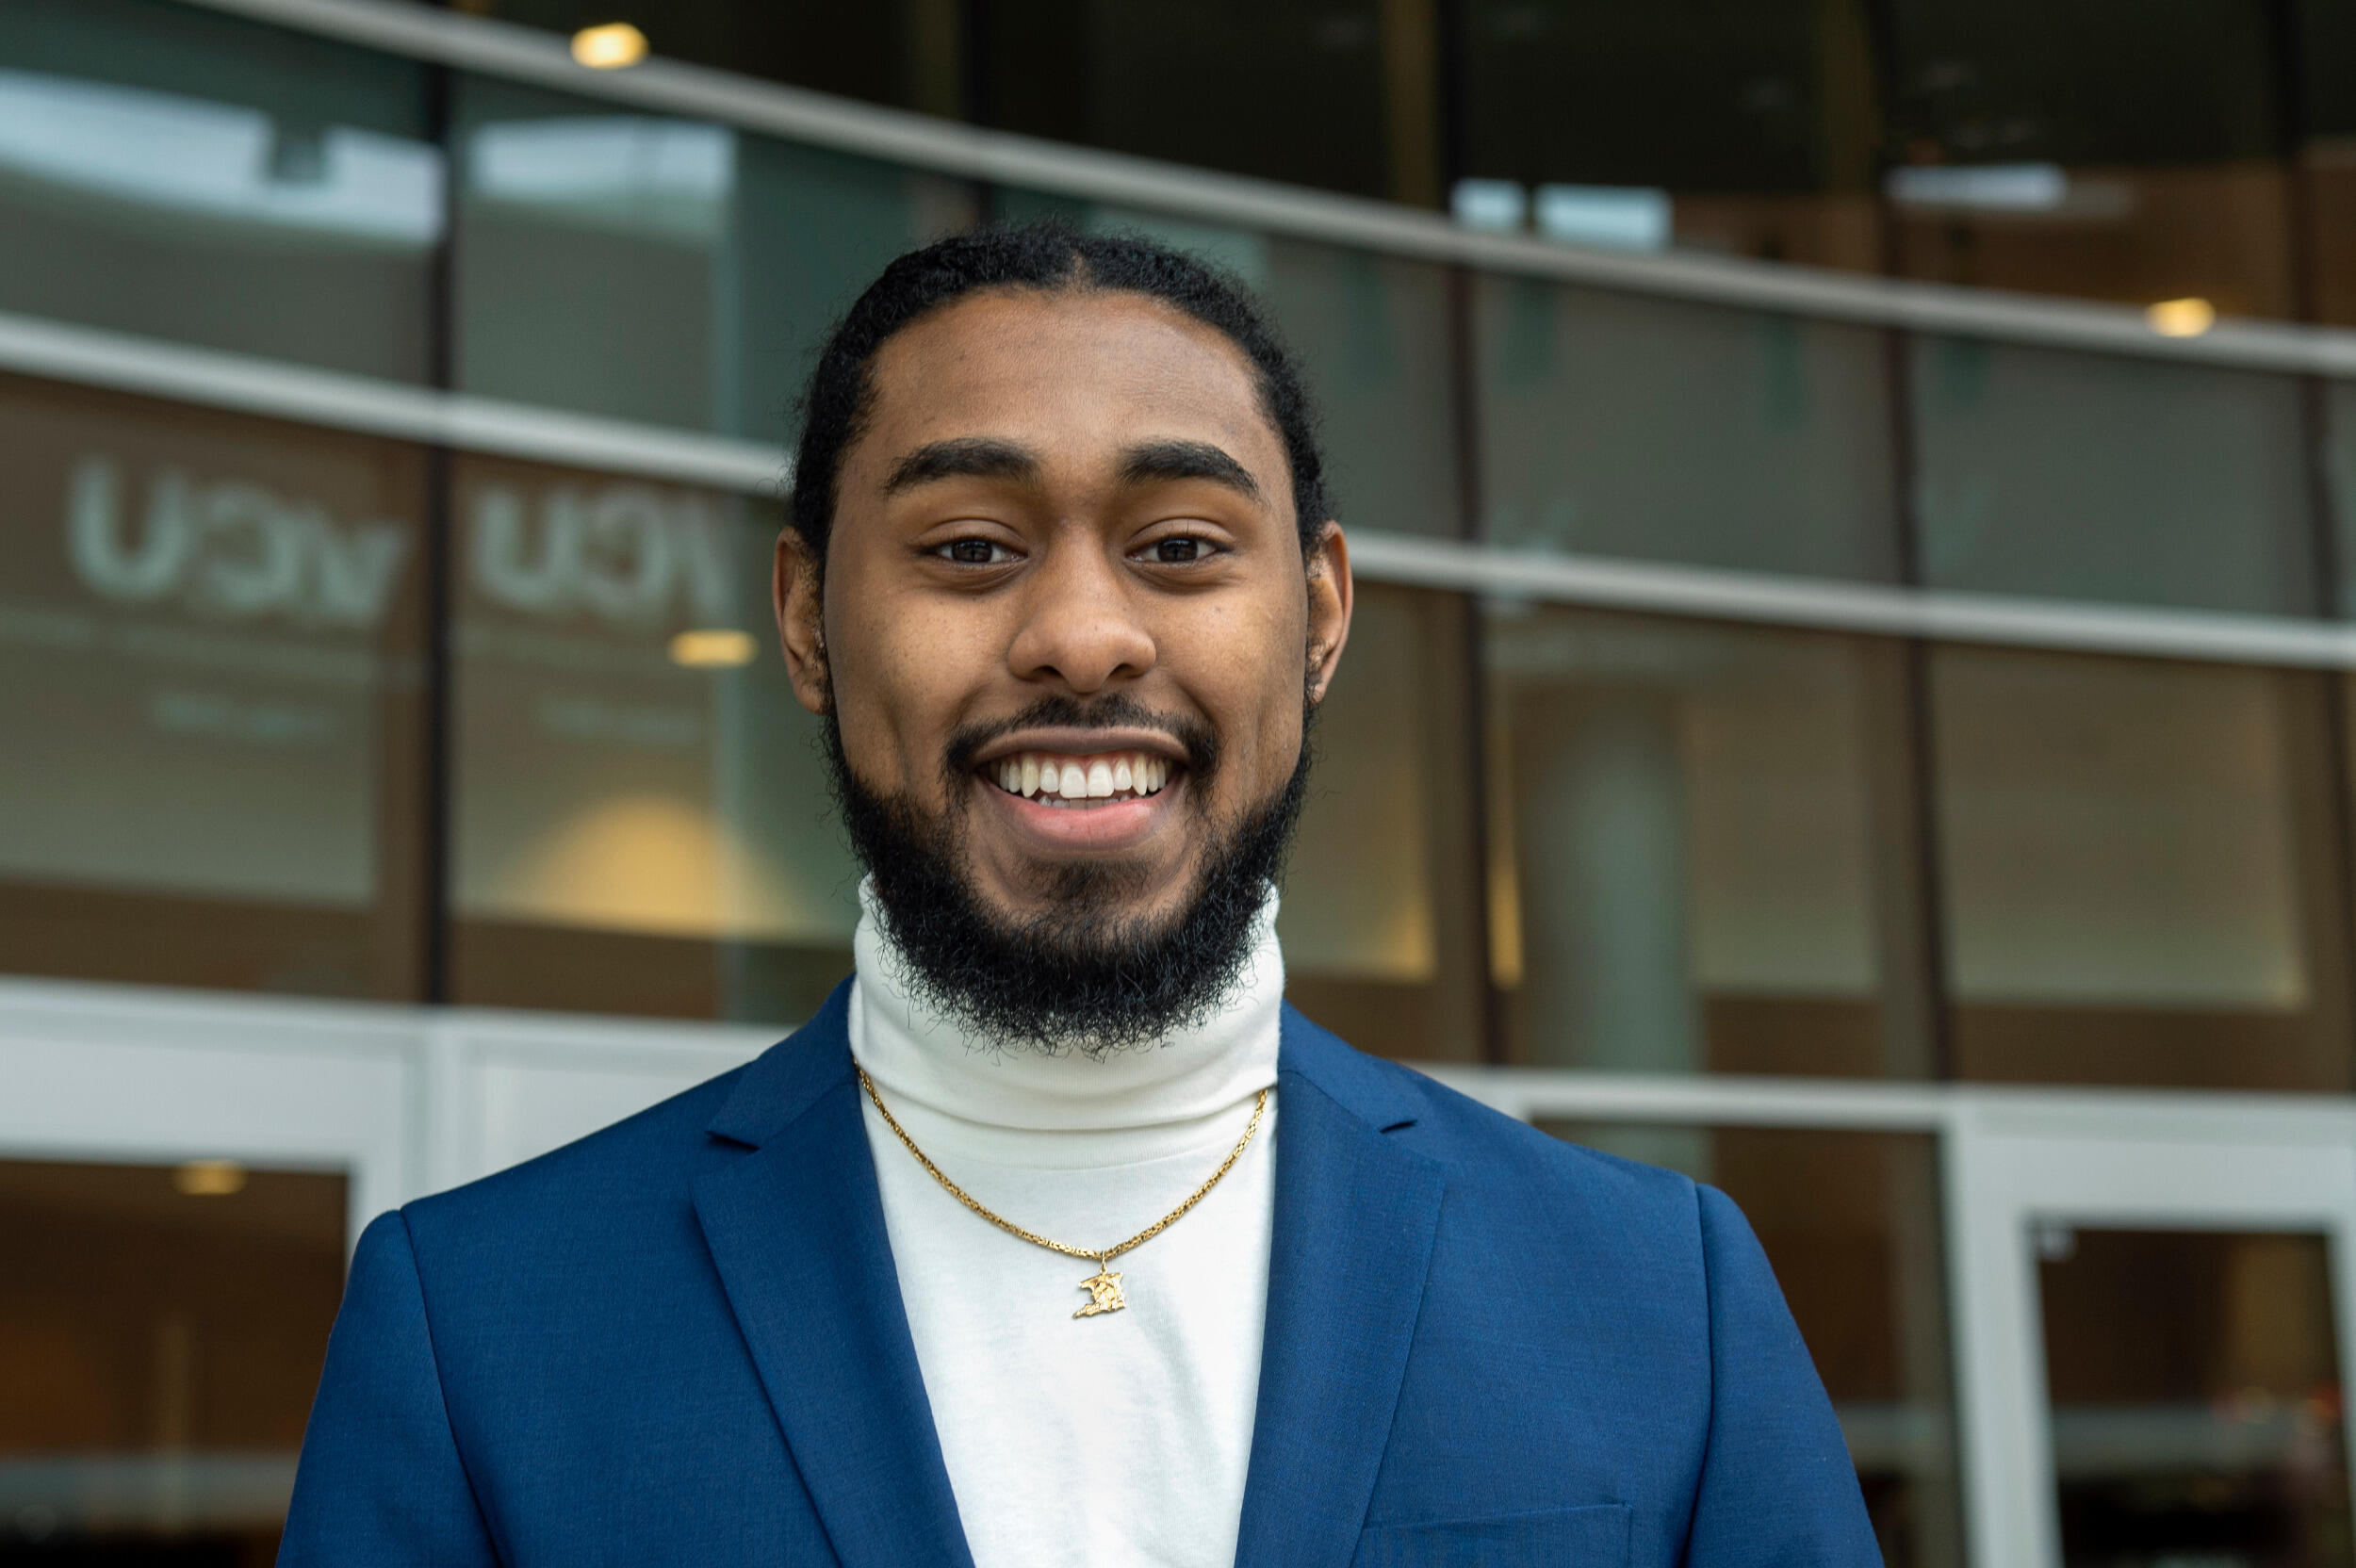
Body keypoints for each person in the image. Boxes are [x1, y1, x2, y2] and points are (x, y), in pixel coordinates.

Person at [279, 227, 1881, 1568]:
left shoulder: (1660, 1299)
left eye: (1182, 545)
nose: (1085, 636)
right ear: (806, 620)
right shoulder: (478, 1330)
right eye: (969, 549)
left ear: (1318, 615)